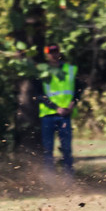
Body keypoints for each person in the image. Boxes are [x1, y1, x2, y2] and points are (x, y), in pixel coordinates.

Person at [34, 44, 83, 177]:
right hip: (48, 114)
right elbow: (39, 94)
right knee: (47, 149)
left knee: (66, 149)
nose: (53, 54)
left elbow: (78, 90)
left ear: (59, 52)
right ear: (46, 54)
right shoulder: (41, 71)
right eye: (50, 52)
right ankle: (50, 179)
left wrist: (72, 105)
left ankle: (69, 177)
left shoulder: (70, 69)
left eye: (55, 51)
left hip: (65, 115)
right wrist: (56, 108)